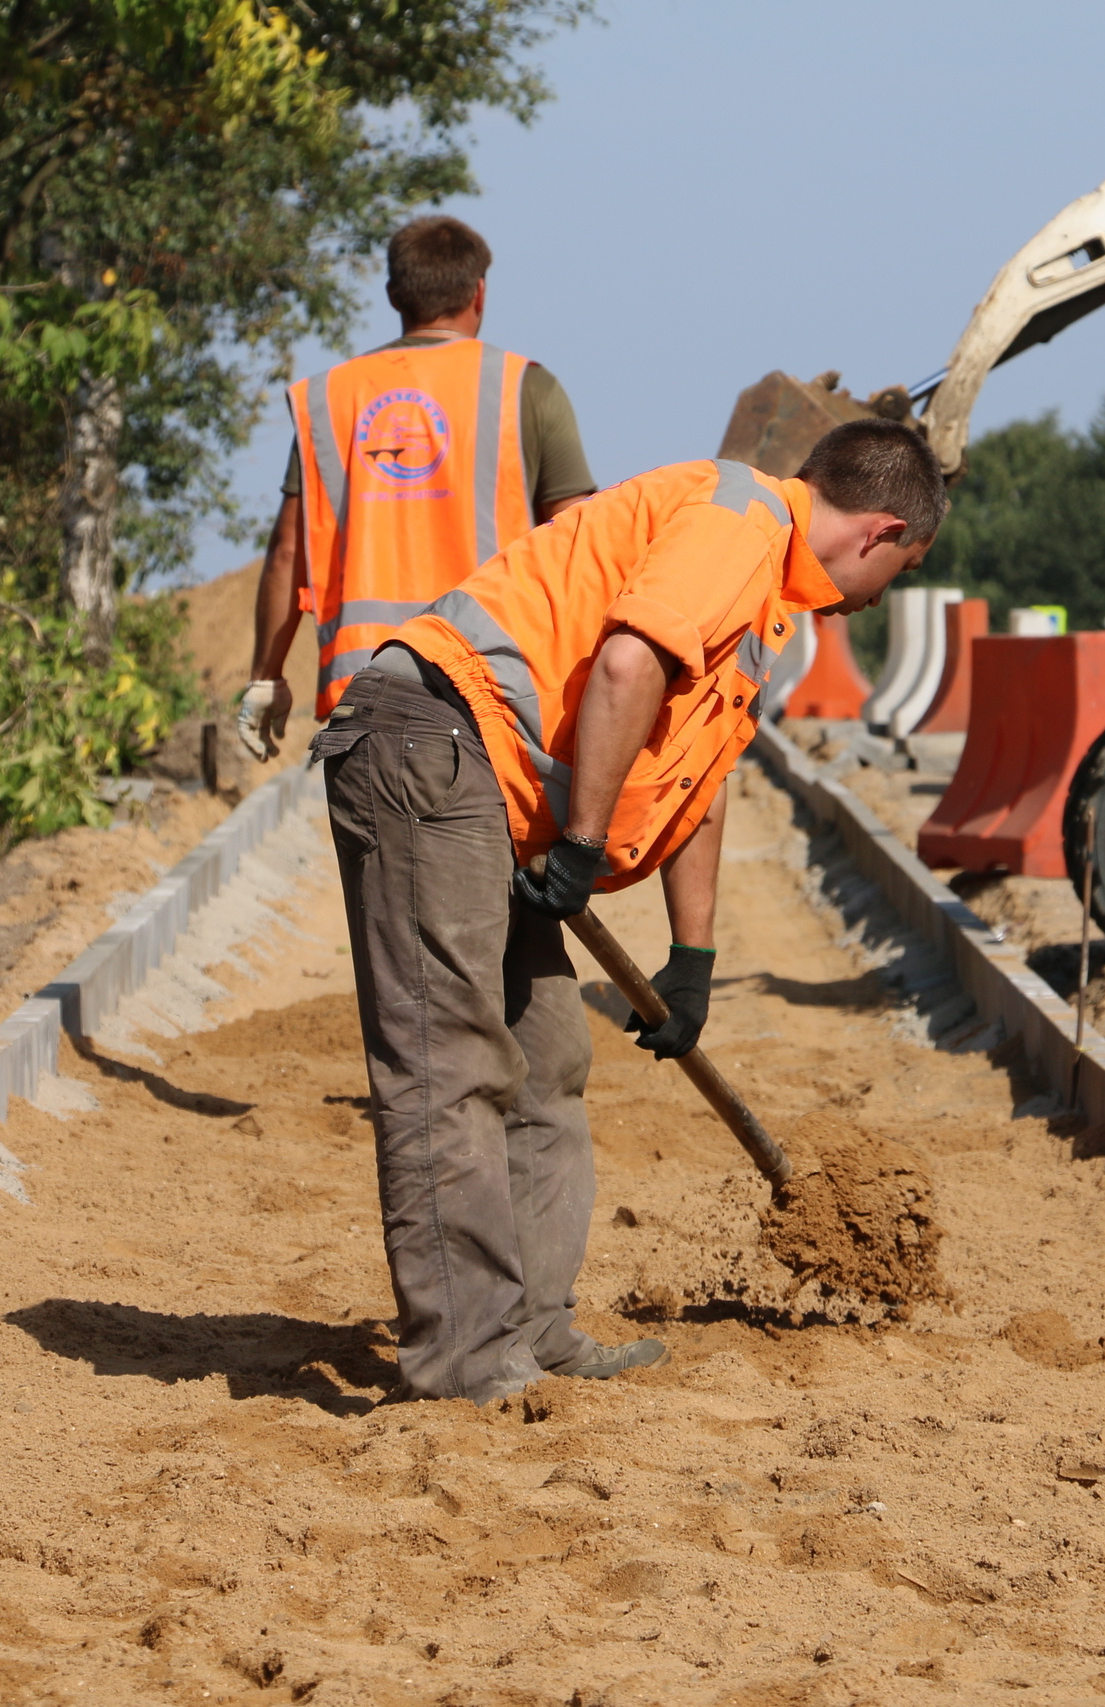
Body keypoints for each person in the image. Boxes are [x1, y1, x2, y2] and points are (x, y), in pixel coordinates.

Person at [309, 420, 948, 1405]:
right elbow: (624, 669)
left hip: (491, 779)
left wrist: (693, 957)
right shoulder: (737, 523)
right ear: (881, 532)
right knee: (450, 1059)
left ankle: (530, 1331)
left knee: (548, 1056)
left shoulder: (759, 592)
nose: (882, 595)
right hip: (431, 743)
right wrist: (581, 844)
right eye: (901, 570)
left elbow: (698, 774)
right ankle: (465, 1361)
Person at [237, 216, 597, 759]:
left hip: (363, 693)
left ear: (393, 295)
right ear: (479, 293)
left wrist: (267, 675)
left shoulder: (331, 397)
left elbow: (289, 550)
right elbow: (578, 540)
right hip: (489, 688)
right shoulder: (524, 388)